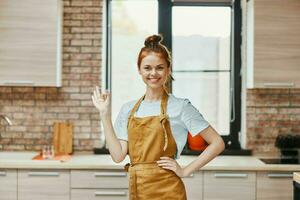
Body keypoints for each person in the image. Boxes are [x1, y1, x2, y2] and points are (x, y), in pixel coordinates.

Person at [92, 34, 225, 200]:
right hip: (138, 188)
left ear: (168, 70)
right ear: (139, 70)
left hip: (169, 190)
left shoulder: (181, 107)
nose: (153, 73)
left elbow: (217, 143)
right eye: (147, 68)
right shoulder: (128, 110)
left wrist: (185, 170)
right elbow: (118, 156)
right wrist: (104, 115)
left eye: (160, 67)